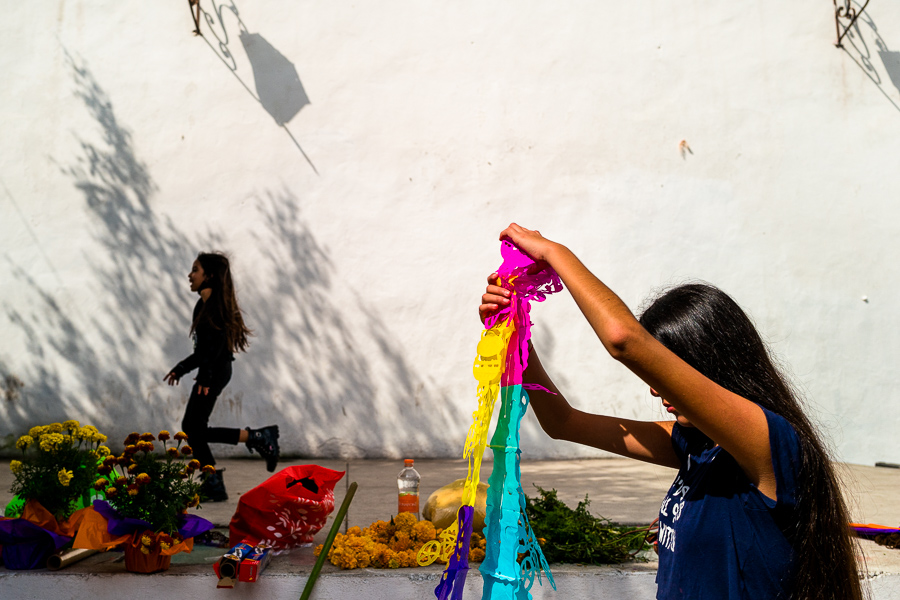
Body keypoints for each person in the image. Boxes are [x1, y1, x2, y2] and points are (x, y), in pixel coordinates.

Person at [478, 224, 863, 600]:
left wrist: (553, 253)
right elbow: (562, 422)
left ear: (714, 362)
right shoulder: (697, 447)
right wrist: (516, 336)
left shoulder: (768, 442)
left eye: (670, 370)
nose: (655, 385)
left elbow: (623, 340)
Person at [164, 252, 280, 502]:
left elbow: (215, 350)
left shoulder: (215, 306)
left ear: (210, 275)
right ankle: (216, 478)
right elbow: (202, 351)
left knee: (193, 429)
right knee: (192, 428)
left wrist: (205, 377)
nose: (190, 275)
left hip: (216, 372)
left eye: (195, 269)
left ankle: (254, 440)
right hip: (211, 371)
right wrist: (181, 368)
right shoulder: (203, 305)